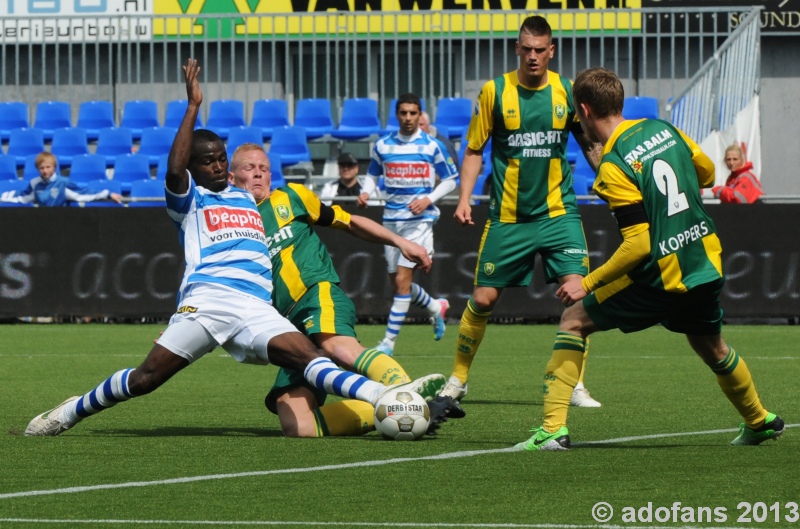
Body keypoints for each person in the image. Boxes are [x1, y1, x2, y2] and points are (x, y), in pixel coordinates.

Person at [24, 58, 445, 437]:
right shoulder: (190, 202)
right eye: (210, 161)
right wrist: (192, 107)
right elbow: (174, 168)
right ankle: (71, 412)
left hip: (255, 307)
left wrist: (394, 237)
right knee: (144, 380)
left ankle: (386, 399)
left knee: (312, 357)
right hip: (207, 303)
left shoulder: (252, 197)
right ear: (193, 168)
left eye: (224, 158)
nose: (220, 166)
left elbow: (340, 218)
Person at [514, 67, 784, 451]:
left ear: (585, 110)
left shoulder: (613, 164)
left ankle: (552, 431)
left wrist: (586, 282)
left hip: (660, 273)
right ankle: (759, 421)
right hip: (703, 261)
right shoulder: (664, 129)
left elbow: (639, 244)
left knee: (573, 321)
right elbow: (707, 173)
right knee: (712, 347)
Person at [436, 15, 603, 414]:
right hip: (508, 217)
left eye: (539, 50)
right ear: (516, 48)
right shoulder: (495, 92)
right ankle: (458, 378)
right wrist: (464, 198)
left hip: (559, 213)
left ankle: (576, 383)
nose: (532, 57)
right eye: (525, 49)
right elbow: (475, 149)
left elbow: (591, 143)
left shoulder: (566, 90)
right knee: (483, 298)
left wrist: (610, 179)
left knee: (580, 294)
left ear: (551, 51)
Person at [229, 143, 451, 437]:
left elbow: (348, 222)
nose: (258, 174)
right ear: (232, 178)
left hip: (316, 296)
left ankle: (409, 400)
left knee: (340, 348)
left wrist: (401, 242)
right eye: (249, 168)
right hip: (284, 327)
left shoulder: (292, 197)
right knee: (297, 424)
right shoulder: (228, 225)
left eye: (264, 169)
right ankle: (392, 411)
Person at [357, 93, 458, 356]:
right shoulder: (383, 146)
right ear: (397, 114)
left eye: (413, 113)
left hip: (419, 222)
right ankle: (436, 307)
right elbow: (372, 174)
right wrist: (366, 192)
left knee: (402, 282)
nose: (408, 118)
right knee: (398, 285)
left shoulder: (432, 145)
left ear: (420, 115)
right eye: (403, 113)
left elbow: (450, 180)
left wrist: (428, 199)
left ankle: (388, 344)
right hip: (391, 222)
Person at [0, 152, 122, 206]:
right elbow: (22, 197)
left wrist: (108, 194)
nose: (45, 171)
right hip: (41, 223)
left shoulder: (63, 183)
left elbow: (83, 193)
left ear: (54, 167)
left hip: (61, 222)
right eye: (42, 168)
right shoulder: (34, 183)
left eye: (48, 167)